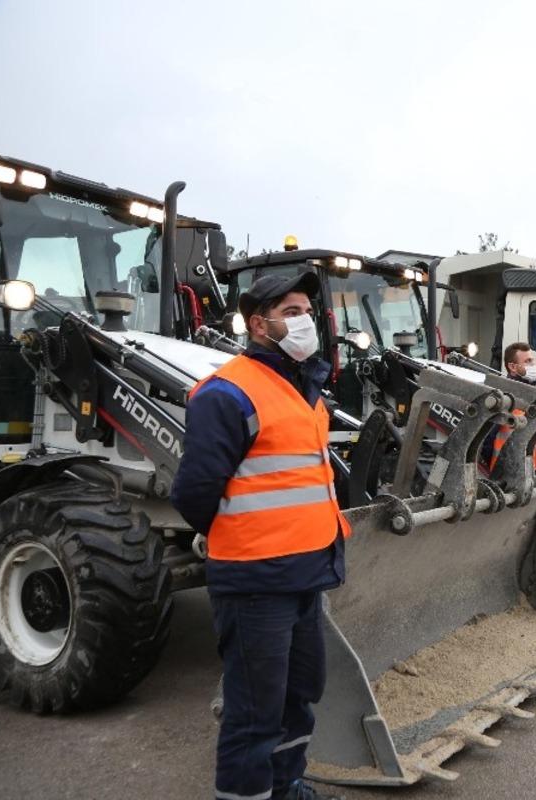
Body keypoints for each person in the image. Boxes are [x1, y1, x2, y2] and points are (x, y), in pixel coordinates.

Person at [171, 272, 345, 800]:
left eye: (306, 310)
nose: (304, 319)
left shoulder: (303, 389)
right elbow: (195, 492)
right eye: (291, 311)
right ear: (258, 323)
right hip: (255, 582)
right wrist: (243, 538)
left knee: (299, 696)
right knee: (255, 712)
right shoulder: (227, 393)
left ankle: (286, 786)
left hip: (304, 574)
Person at [488, 342, 536, 472]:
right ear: (513, 367)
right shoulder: (504, 400)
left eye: (532, 361)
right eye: (528, 361)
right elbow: (487, 441)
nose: (533, 366)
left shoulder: (532, 398)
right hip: (504, 477)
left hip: (529, 476)